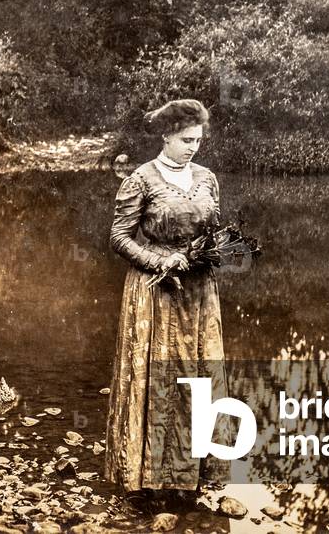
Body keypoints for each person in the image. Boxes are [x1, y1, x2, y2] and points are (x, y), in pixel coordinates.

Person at [104, 98, 231, 507]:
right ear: (165, 136)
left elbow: (212, 230)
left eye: (197, 139)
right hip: (157, 291)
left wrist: (210, 251)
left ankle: (190, 476)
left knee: (197, 378)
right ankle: (147, 478)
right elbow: (119, 238)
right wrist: (162, 260)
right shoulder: (140, 180)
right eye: (184, 139)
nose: (192, 147)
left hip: (199, 291)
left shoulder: (207, 179)